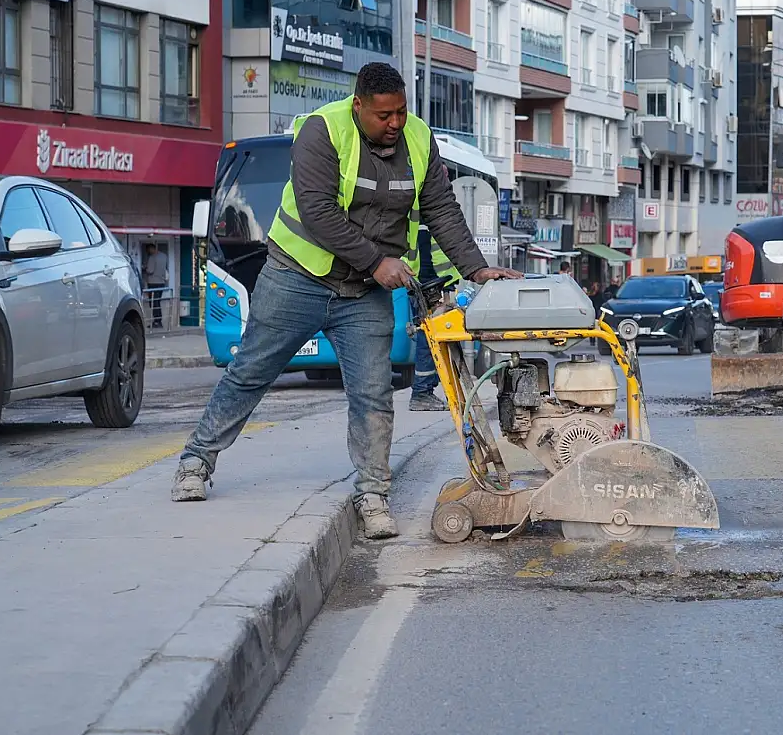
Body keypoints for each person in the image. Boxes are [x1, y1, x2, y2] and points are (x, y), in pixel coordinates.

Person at [169, 62, 521, 538]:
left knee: (373, 393)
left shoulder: (418, 138)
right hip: (297, 277)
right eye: (383, 115)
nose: (395, 123)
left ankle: (374, 495)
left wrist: (475, 268)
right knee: (251, 371)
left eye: (400, 112)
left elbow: (440, 206)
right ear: (359, 106)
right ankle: (196, 461)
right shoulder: (322, 131)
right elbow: (317, 211)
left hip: (362, 295)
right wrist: (378, 262)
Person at [409, 228, 448, 411]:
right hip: (428, 287)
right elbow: (426, 259)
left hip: (429, 285)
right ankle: (422, 393)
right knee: (427, 339)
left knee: (430, 338)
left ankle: (426, 390)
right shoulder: (424, 221)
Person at [144, 243, 169, 329]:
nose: (148, 252)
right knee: (157, 301)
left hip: (153, 282)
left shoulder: (152, 257)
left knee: (153, 303)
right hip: (161, 282)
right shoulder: (164, 256)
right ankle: (158, 321)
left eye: (148, 250)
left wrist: (145, 269)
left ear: (151, 249)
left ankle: (157, 321)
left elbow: (150, 270)